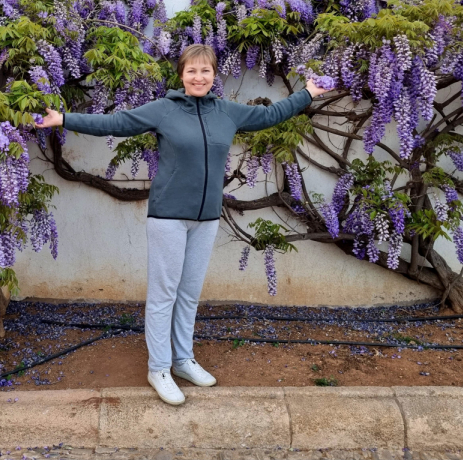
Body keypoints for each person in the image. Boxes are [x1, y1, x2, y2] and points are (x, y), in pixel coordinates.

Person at [35, 44, 333, 405]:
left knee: (189, 294)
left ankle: (182, 359)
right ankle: (158, 367)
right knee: (164, 295)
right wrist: (63, 119)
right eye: (192, 71)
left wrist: (307, 93)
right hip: (168, 217)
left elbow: (271, 116)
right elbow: (116, 123)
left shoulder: (227, 113)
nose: (199, 77)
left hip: (206, 218)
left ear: (214, 75)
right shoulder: (164, 110)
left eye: (206, 71)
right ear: (181, 75)